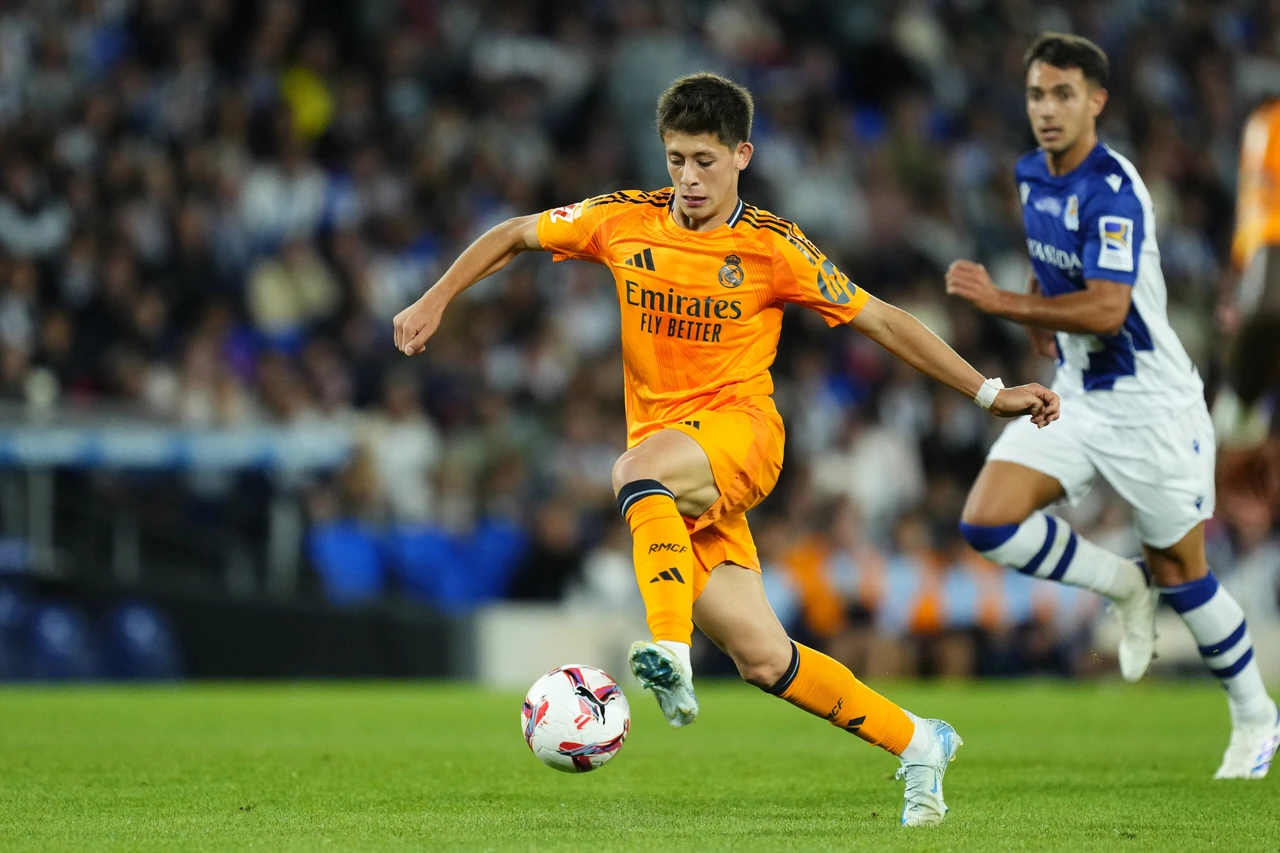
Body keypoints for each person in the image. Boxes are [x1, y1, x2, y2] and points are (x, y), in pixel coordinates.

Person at [394, 73, 1059, 825]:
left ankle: (670, 653)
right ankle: (918, 740)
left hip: (743, 437)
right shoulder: (623, 221)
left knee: (632, 470)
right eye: (676, 158)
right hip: (677, 468)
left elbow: (884, 320)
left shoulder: (772, 247)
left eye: (705, 160)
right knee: (766, 659)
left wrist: (988, 392)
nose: (688, 177)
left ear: (742, 154)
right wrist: (434, 297)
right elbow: (515, 232)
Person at [945, 33, 1279, 780]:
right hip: (1080, 399)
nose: (1047, 110)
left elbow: (1106, 308)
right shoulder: (1031, 173)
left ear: (1097, 101)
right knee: (985, 520)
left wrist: (1000, 302)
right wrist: (1034, 312)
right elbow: (1052, 270)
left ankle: (1256, 714)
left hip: (1153, 409)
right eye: (1037, 95)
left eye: (1064, 94)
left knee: (1186, 576)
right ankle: (1122, 584)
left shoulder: (1114, 188)